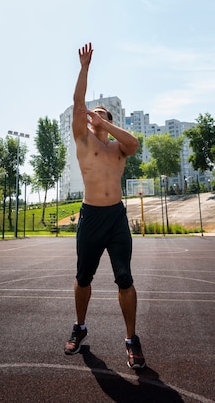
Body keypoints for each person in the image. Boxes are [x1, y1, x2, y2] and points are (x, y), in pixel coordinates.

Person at [64, 42, 146, 369]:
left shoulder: (118, 149)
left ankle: (131, 339)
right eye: (93, 112)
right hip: (90, 217)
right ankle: (80, 327)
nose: (92, 113)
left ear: (108, 120)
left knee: (124, 278)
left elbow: (134, 143)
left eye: (100, 112)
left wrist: (105, 121)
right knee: (83, 278)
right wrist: (84, 67)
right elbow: (77, 102)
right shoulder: (83, 141)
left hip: (116, 219)